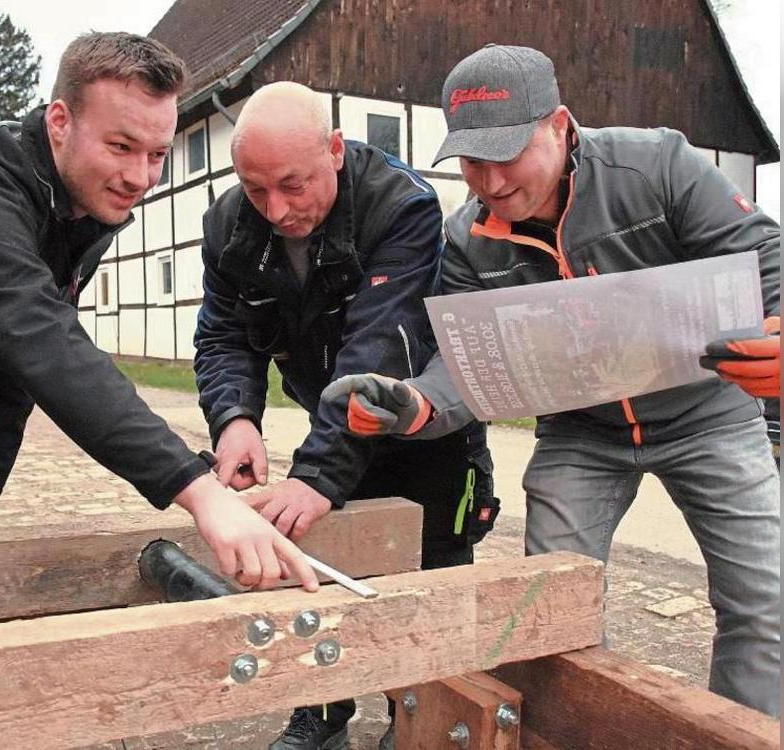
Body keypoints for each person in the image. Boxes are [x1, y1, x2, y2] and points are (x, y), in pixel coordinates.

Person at [323, 45, 781, 717]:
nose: (492, 180)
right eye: (473, 161)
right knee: (547, 605)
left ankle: (743, 732)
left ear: (560, 125)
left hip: (707, 416)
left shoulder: (657, 166)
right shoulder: (471, 239)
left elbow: (764, 252)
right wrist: (418, 404)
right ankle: (571, 729)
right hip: (581, 432)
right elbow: (465, 364)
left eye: (507, 153)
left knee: (764, 601)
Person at [0, 32, 320, 600]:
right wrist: (198, 489)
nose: (140, 178)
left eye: (158, 154)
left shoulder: (82, 208)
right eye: (120, 146)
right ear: (60, 122)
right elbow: (42, 341)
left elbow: (18, 358)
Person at [193, 82, 498, 750]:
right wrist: (235, 418)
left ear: (334, 150)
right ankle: (321, 711)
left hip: (426, 430)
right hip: (330, 421)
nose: (275, 209)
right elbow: (221, 337)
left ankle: (416, 718)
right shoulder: (227, 227)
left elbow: (377, 353)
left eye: (293, 185)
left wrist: (318, 474)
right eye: (256, 189)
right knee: (317, 563)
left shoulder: (401, 205)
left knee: (434, 575)